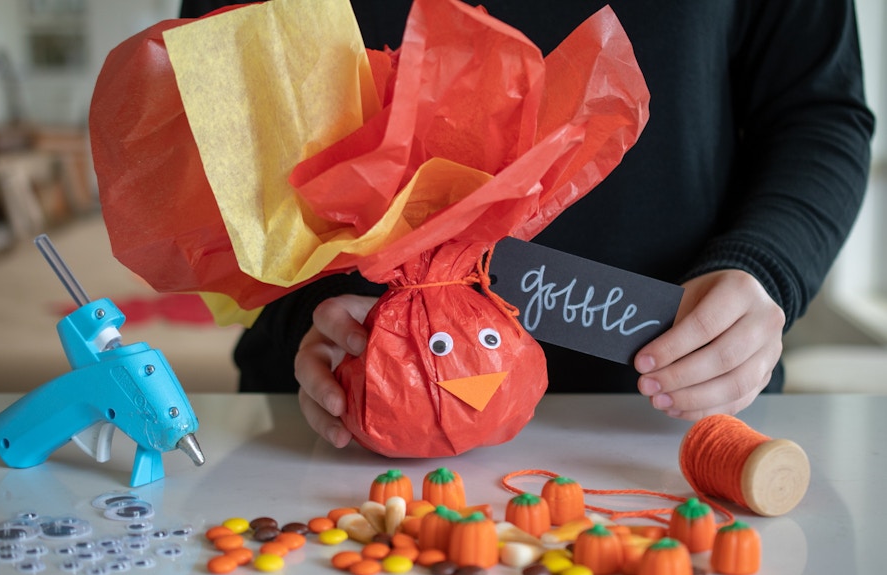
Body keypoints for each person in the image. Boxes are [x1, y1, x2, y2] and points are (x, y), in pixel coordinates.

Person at [180, 0, 875, 447]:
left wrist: (765, 267)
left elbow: (819, 111)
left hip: (674, 429)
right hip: (331, 429)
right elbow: (226, 144)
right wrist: (312, 314)